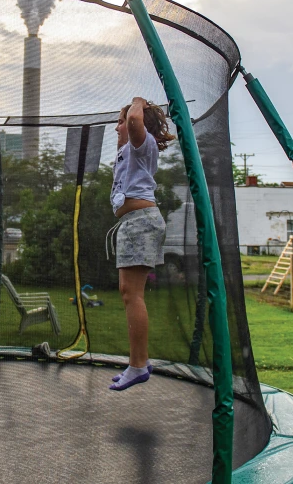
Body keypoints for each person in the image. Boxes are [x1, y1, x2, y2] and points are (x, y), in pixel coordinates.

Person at [108, 97, 174, 392]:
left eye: (120, 121)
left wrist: (137, 102)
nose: (117, 127)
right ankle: (139, 362)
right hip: (133, 223)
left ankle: (137, 366)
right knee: (128, 292)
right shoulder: (127, 152)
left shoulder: (141, 144)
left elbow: (135, 121)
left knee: (132, 294)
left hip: (140, 222)